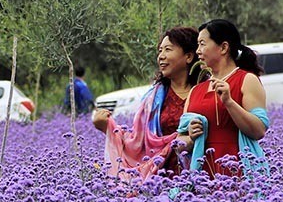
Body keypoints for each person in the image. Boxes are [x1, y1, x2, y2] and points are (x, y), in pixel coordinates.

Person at [92, 27, 200, 181]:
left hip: (202, 177)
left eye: (168, 50)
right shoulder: (153, 99)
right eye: (160, 51)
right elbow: (136, 143)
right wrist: (107, 127)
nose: (161, 57)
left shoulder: (206, 91)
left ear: (189, 56)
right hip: (160, 179)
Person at [176, 19, 270, 179]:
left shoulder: (247, 80)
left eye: (202, 44)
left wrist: (229, 102)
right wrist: (190, 137)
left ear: (224, 47)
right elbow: (178, 144)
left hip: (238, 172)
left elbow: (258, 130)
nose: (198, 51)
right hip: (202, 177)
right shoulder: (195, 91)